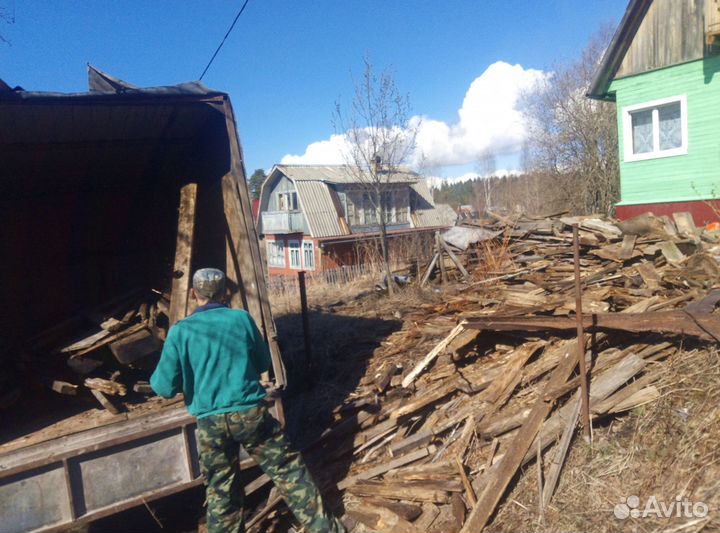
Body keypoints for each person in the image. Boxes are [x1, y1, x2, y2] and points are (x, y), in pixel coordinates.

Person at [151, 268, 345, 533]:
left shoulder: (180, 332)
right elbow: (263, 361)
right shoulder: (240, 319)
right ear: (224, 293)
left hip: (211, 423)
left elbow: (162, 387)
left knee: (221, 491)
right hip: (251, 415)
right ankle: (325, 529)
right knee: (288, 470)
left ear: (193, 294)